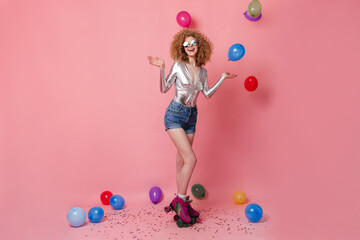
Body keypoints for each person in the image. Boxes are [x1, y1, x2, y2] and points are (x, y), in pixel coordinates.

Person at [148, 29, 236, 224]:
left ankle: (182, 202)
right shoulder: (178, 65)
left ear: (199, 46)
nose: (190, 46)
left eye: (193, 43)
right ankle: (181, 200)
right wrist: (162, 67)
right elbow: (164, 88)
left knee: (181, 160)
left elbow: (207, 93)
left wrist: (221, 78)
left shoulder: (203, 71)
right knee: (191, 159)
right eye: (186, 44)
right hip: (174, 114)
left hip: (191, 116)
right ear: (182, 47)